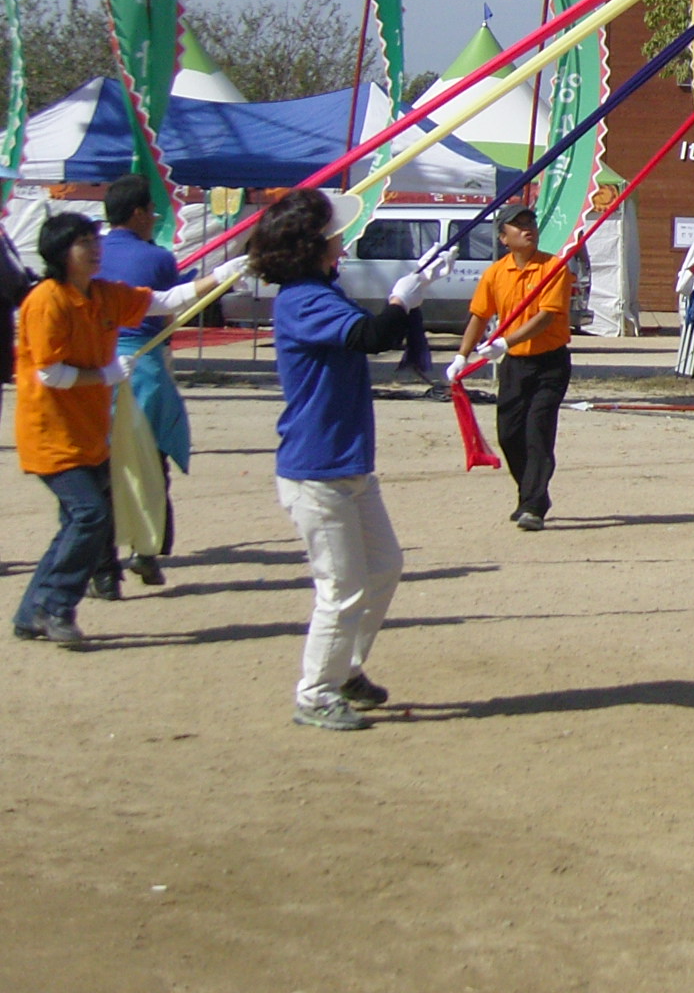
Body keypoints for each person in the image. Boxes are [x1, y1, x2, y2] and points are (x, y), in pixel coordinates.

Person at [253, 189, 438, 731]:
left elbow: (373, 332)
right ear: (311, 245)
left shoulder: (319, 291)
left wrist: (415, 291)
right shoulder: (304, 299)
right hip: (317, 468)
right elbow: (372, 337)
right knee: (341, 589)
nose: (341, 241)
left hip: (347, 463)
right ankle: (315, 692)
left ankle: (345, 668)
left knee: (384, 567)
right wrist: (402, 302)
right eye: (333, 236)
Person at [13, 213, 227, 648]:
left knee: (78, 520)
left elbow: (167, 301)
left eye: (94, 240)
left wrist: (224, 274)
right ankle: (56, 606)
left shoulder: (105, 295)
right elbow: (50, 374)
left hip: (90, 432)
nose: (94, 248)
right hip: (51, 433)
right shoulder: (46, 301)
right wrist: (107, 375)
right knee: (91, 516)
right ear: (59, 252)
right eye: (82, 243)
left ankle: (32, 611)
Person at [450, 206, 575, 530]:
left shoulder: (554, 267)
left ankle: (533, 506)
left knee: (537, 431)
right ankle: (531, 494)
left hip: (549, 362)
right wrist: (462, 356)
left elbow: (546, 315)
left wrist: (504, 341)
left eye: (530, 223)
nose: (527, 229)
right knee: (509, 433)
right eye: (518, 226)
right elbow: (479, 315)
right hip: (515, 366)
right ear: (504, 238)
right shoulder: (495, 273)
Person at [96, 175, 192, 586]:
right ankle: (146, 552)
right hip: (144, 365)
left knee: (102, 466)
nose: (154, 218)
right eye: (151, 211)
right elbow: (166, 315)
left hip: (96, 367)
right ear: (137, 214)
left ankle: (102, 567)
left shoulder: (89, 254)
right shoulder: (157, 260)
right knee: (151, 460)